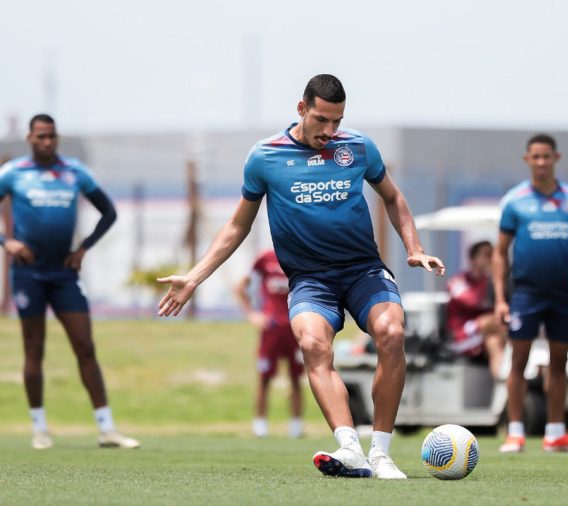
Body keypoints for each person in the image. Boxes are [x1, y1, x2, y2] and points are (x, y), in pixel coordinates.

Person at [157, 74, 444, 479]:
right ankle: (351, 449)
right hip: (311, 279)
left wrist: (414, 248)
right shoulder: (265, 157)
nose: (329, 131)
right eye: (322, 120)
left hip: (363, 270)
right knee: (312, 344)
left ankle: (381, 454)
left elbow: (393, 198)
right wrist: (195, 277)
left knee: (393, 333)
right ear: (302, 109)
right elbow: (237, 226)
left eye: (337, 121)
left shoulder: (359, 147)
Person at [0, 114, 139, 450]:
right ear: (30, 139)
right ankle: (40, 430)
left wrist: (84, 248)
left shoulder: (74, 172)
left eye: (52, 136)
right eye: (41, 136)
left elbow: (109, 212)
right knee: (34, 348)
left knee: (85, 346)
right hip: (29, 274)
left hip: (64, 273)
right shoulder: (13, 173)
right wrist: (7, 242)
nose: (47, 142)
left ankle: (107, 429)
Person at [492, 134, 568, 453]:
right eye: (536, 156)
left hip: (564, 294)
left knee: (560, 361)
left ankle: (555, 432)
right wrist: (500, 299)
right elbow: (500, 252)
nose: (542, 162)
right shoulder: (515, 201)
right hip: (526, 293)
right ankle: (515, 431)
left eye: (547, 156)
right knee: (519, 360)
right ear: (527, 159)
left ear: (556, 158)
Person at [234, 249, 304, 439]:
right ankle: (260, 427)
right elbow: (240, 287)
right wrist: (251, 314)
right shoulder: (265, 259)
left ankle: (296, 428)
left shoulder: (302, 254)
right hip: (271, 328)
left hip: (295, 327)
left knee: (296, 378)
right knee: (264, 378)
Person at [446, 240, 505, 378]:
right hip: (463, 335)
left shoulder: (492, 281)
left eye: (493, 255)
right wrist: (493, 276)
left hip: (488, 333)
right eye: (486, 255)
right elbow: (474, 302)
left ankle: (503, 384)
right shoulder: (458, 282)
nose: (491, 259)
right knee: (496, 320)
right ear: (473, 259)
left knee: (494, 340)